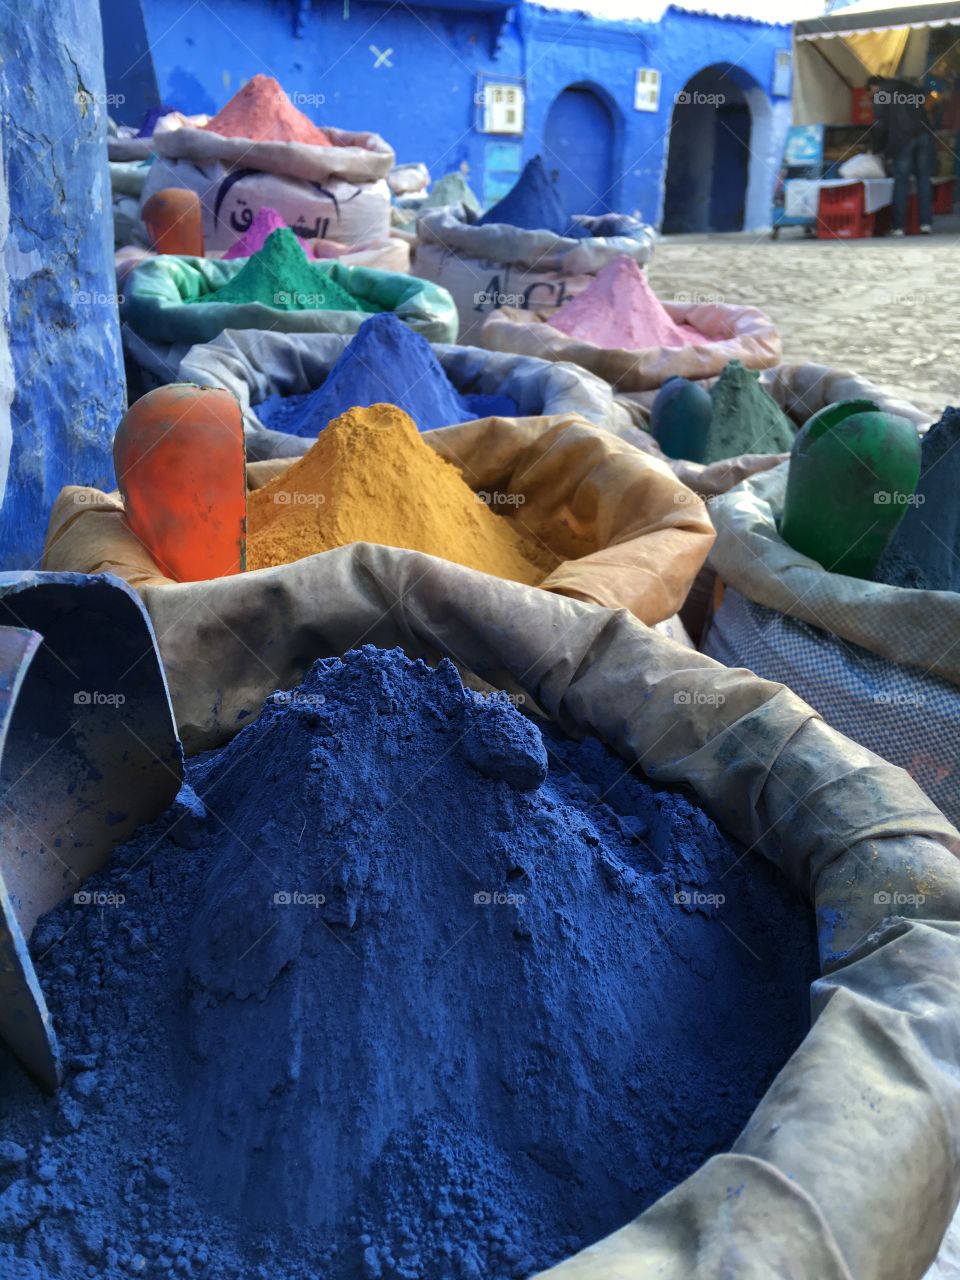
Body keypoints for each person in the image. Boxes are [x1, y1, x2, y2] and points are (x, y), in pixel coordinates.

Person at [867, 74, 934, 234]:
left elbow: (880, 126)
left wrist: (877, 150)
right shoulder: (910, 89)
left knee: (901, 181)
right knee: (924, 180)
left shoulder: (882, 94)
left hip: (903, 139)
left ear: (875, 86)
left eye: (871, 91)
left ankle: (899, 227)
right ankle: (926, 224)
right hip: (924, 135)